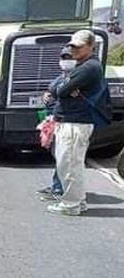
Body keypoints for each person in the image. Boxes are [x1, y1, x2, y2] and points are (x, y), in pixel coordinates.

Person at [47, 30, 103, 216]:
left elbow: (61, 90)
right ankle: (79, 201)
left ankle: (70, 204)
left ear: (90, 47)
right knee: (72, 164)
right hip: (72, 121)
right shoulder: (82, 66)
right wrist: (64, 86)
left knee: (68, 164)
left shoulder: (89, 67)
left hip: (75, 121)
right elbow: (58, 87)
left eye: (79, 46)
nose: (74, 50)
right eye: (72, 46)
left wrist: (65, 87)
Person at [37, 46, 76, 202]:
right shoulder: (62, 76)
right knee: (58, 154)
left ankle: (60, 189)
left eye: (70, 58)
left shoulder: (77, 77)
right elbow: (52, 90)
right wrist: (46, 94)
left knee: (64, 156)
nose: (66, 61)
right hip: (54, 120)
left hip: (67, 121)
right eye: (64, 58)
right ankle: (56, 186)